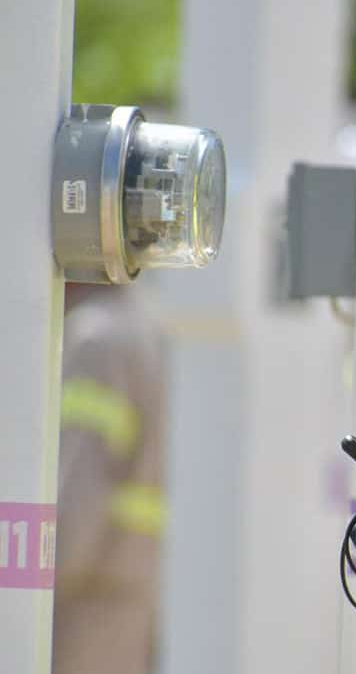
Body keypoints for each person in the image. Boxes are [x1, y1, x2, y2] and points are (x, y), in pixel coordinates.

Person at [53, 284, 168, 674]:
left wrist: (26, 596)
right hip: (132, 595)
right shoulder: (147, 325)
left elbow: (77, 498)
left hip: (86, 601)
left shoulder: (96, 340)